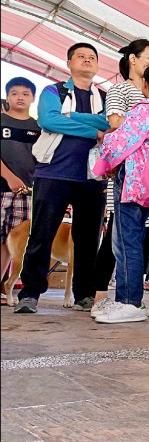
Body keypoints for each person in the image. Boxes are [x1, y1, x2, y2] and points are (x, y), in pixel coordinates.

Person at [15, 43, 110, 314]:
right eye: (81, 56)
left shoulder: (104, 96)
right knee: (41, 234)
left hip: (92, 177)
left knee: (88, 239)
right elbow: (49, 121)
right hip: (53, 173)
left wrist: (70, 117)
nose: (87, 60)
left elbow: (108, 123)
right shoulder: (52, 91)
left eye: (92, 57)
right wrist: (92, 128)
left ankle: (84, 295)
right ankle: (30, 293)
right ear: (69, 62)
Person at [91, 63, 149, 323]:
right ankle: (129, 299)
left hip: (132, 182)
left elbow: (120, 140)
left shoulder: (145, 110)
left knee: (124, 243)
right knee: (133, 240)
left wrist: (103, 164)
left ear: (145, 85)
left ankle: (129, 302)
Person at [1, 77, 40, 305]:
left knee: (16, 243)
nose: (20, 97)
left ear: (33, 98)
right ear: (7, 96)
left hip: (28, 194)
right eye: (14, 93)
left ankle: (7, 288)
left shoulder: (39, 127)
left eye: (26, 93)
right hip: (2, 190)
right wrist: (9, 177)